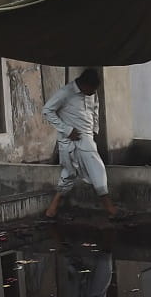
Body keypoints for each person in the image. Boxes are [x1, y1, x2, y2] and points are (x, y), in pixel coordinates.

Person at [42, 67, 121, 219]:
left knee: (96, 170)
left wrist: (95, 131)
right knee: (71, 173)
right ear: (84, 84)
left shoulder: (92, 93)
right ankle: (52, 210)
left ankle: (110, 209)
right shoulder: (66, 93)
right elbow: (47, 110)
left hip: (86, 138)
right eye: (91, 89)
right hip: (68, 140)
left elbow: (95, 109)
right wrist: (66, 130)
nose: (92, 93)